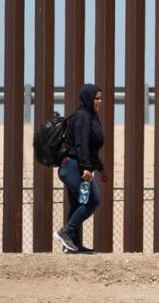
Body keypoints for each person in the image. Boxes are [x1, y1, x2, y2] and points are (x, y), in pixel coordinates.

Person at [54, 83, 104, 254]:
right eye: (96, 98)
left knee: (77, 205)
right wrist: (86, 168)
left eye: (100, 98)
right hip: (73, 166)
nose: (99, 102)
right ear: (88, 99)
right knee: (91, 200)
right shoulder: (83, 117)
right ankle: (65, 232)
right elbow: (81, 144)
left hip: (75, 165)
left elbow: (92, 148)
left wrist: (101, 169)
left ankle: (72, 245)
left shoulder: (91, 117)